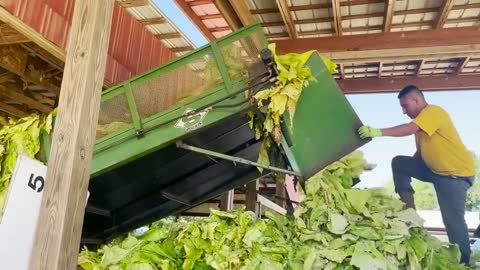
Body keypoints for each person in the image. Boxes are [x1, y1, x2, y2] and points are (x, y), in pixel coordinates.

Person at [358, 85, 476, 265]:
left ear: (417, 100)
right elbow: (420, 156)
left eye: (405, 106)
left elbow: (409, 129)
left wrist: (378, 132)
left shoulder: (433, 112)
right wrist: (411, 167)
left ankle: (463, 264)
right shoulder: (422, 124)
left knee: (453, 221)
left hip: (454, 176)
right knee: (400, 163)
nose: (404, 111)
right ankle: (408, 209)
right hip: (434, 171)